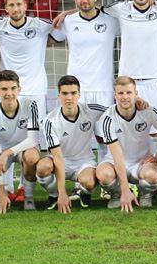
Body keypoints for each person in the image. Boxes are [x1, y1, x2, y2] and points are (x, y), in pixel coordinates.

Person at [99, 0, 157, 115]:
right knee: (126, 124)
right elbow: (93, 9)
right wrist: (66, 13)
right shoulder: (120, 8)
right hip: (127, 81)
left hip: (152, 79)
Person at [0, 0, 55, 128]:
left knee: (34, 132)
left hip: (35, 89)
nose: (16, 9)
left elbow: (64, 23)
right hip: (9, 90)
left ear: (25, 6)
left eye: (19, 4)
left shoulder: (40, 25)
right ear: (6, 8)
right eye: (11, 5)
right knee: (9, 131)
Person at [39, 75, 112, 213]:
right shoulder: (50, 120)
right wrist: (62, 193)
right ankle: (55, 195)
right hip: (60, 160)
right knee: (42, 167)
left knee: (89, 182)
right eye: (65, 93)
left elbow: (117, 111)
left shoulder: (90, 110)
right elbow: (58, 158)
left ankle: (83, 192)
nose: (69, 97)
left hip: (84, 162)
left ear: (79, 94)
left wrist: (136, 102)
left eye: (73, 93)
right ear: (59, 95)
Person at [96, 76, 157, 210]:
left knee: (153, 176)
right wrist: (125, 190)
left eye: (129, 92)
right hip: (115, 162)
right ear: (115, 95)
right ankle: (116, 194)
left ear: (136, 94)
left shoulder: (149, 111)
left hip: (141, 163)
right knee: (104, 175)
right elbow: (117, 156)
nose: (125, 97)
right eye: (120, 93)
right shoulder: (108, 118)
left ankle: (146, 193)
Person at [0, 70, 41, 214]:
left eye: (13, 88)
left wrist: (7, 153)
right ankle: (1, 196)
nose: (9, 93)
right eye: (4, 89)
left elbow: (32, 140)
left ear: (19, 89)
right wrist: (0, 190)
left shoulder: (30, 105)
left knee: (32, 157)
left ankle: (28, 197)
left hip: (23, 149)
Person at [50, 0, 119, 106]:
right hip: (75, 89)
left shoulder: (111, 20)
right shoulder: (68, 21)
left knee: (105, 120)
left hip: (103, 88)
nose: (84, 0)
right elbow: (50, 40)